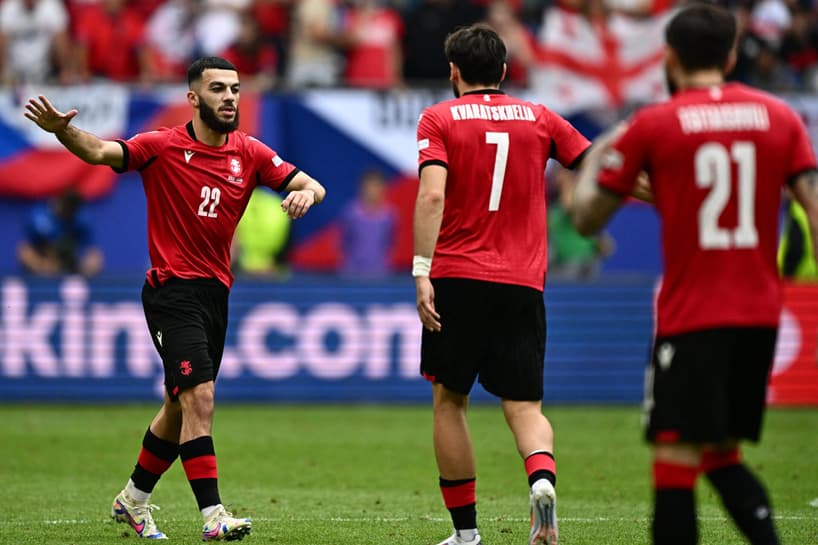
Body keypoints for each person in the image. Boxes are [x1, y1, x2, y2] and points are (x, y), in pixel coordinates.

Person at [24, 56, 326, 542]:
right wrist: (63, 133)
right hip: (171, 290)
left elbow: (312, 183)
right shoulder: (162, 146)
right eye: (218, 89)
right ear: (193, 98)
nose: (230, 97)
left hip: (216, 293)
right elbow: (101, 152)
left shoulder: (249, 153)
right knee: (200, 397)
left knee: (179, 406)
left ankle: (132, 500)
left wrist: (307, 195)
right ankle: (214, 517)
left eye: (234, 89)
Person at [570, 4, 818, 545]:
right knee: (721, 453)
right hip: (760, 316)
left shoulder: (657, 125)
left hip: (693, 316)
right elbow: (813, 210)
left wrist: (599, 155)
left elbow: (588, 217)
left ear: (670, 57)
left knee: (675, 463)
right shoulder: (780, 117)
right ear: (731, 56)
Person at [413, 23, 591, 545]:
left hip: (457, 277)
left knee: (450, 402)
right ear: (505, 72)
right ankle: (540, 480)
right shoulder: (540, 117)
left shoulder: (439, 116)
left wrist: (422, 270)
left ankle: (467, 534)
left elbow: (431, 197)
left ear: (454, 72)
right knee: (525, 407)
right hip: (522, 281)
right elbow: (598, 166)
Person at [17, 188, 104, 278]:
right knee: (25, 253)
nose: (69, 211)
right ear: (58, 201)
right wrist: (41, 266)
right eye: (67, 206)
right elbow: (25, 249)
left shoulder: (81, 219)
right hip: (42, 262)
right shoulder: (38, 216)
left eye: (72, 208)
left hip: (70, 264)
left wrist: (88, 266)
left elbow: (92, 252)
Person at [339, 168, 397, 279]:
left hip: (381, 273)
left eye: (376, 186)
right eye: (369, 186)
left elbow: (390, 242)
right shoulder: (350, 212)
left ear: (383, 189)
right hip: (351, 273)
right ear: (362, 188)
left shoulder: (390, 215)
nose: (372, 191)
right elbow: (344, 242)